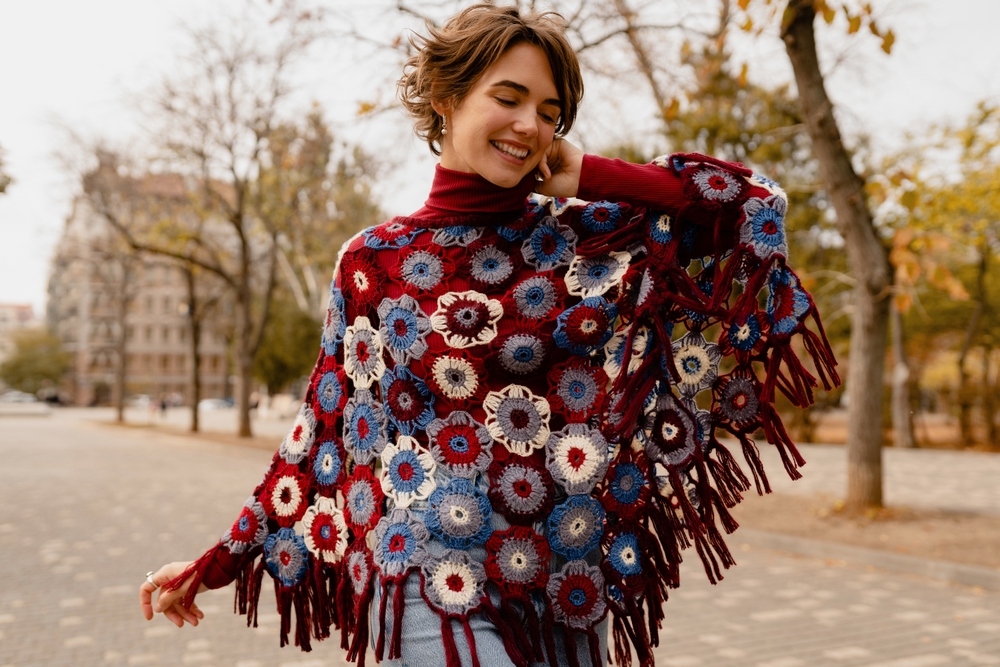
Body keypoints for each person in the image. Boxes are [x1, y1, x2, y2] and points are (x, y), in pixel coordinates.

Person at [139, 5, 839, 667]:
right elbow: (321, 430)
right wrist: (217, 562)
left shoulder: (588, 243)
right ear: (447, 98)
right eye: (508, 98)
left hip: (564, 579)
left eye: (549, 112)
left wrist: (590, 174)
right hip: (425, 574)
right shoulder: (373, 261)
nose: (529, 125)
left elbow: (756, 208)